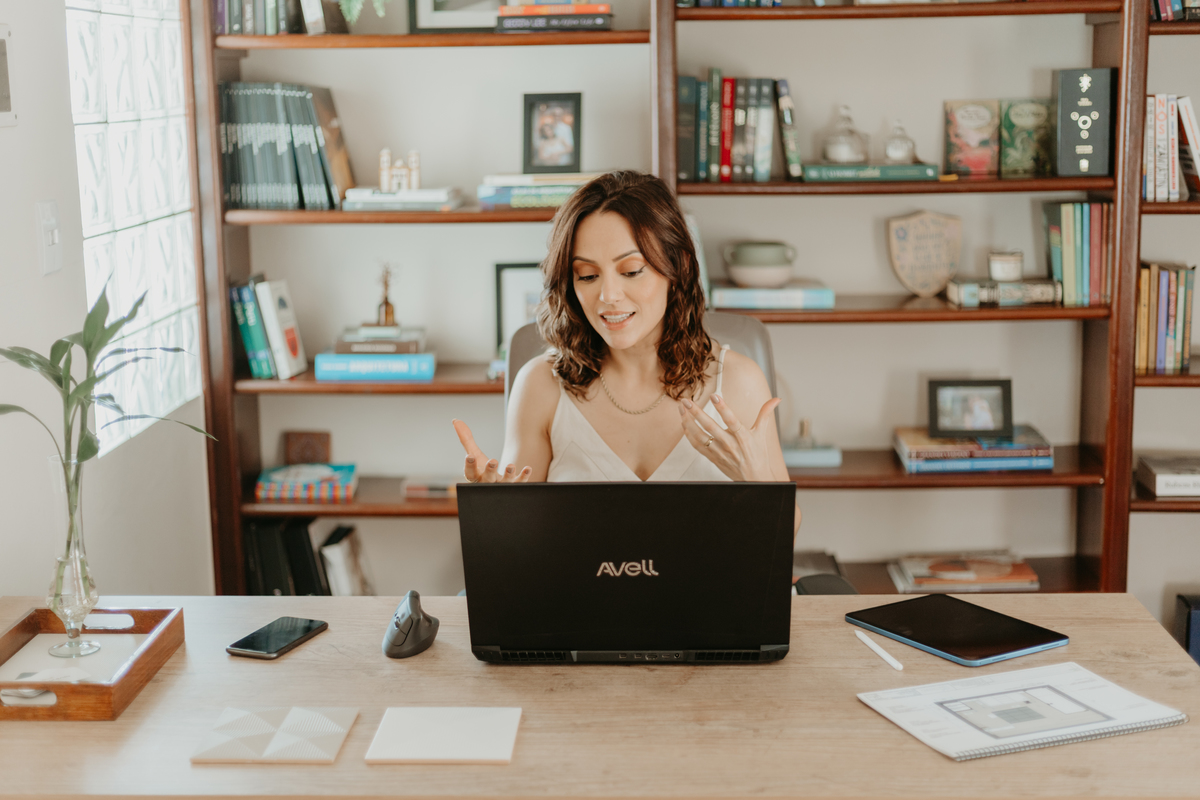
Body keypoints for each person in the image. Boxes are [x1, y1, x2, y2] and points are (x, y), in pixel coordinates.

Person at [452, 170, 800, 532]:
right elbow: (517, 538)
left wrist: (754, 478)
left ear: (676, 266)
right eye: (587, 275)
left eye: (631, 271)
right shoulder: (540, 386)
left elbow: (787, 530)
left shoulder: (739, 382)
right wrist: (492, 510)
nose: (608, 296)